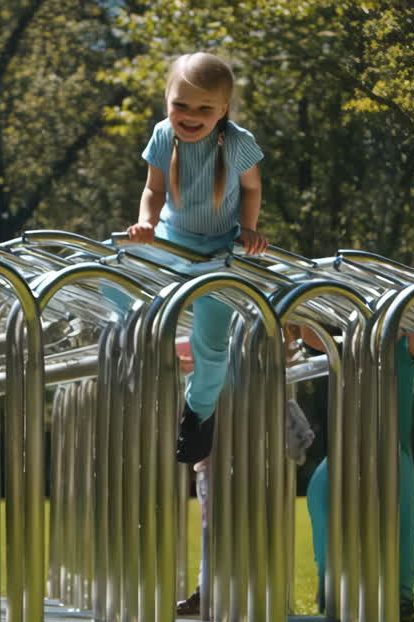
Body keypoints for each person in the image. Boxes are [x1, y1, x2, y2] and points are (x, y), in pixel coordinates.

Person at [125, 51, 267, 468]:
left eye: (204, 108)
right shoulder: (163, 135)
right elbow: (153, 189)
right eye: (180, 105)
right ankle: (142, 363)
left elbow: (253, 190)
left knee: (211, 343)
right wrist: (144, 223)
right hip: (171, 240)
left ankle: (199, 413)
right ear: (167, 101)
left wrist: (249, 229)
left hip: (219, 250)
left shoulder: (239, 143)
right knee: (112, 278)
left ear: (222, 110)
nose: (190, 115)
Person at [305, 329, 414, 622]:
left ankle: (401, 601)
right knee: (321, 494)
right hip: (348, 446)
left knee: (398, 515)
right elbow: (306, 333)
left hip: (388, 445)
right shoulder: (350, 343)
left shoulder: (407, 337)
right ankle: (333, 592)